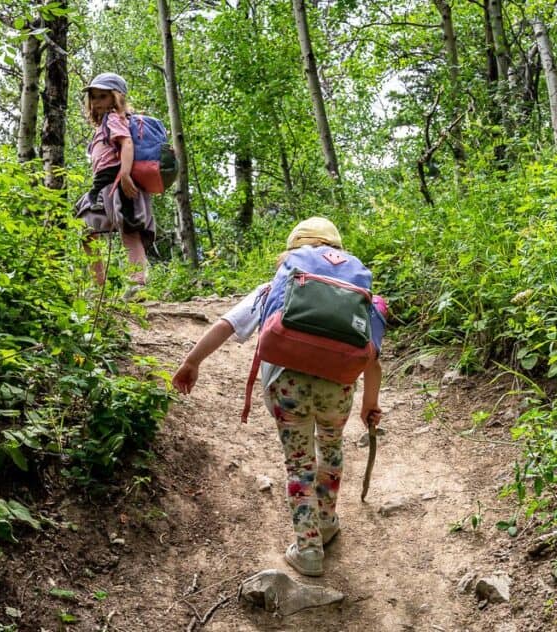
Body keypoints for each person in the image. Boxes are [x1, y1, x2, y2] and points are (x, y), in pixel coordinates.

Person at [171, 217, 386, 577]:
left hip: (287, 386)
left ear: (294, 251)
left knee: (299, 462)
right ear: (337, 250)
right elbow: (372, 356)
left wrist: (192, 362)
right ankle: (328, 522)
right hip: (338, 386)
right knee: (330, 448)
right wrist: (370, 403)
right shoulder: (355, 291)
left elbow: (226, 324)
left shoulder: (276, 286)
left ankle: (309, 550)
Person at [77, 72, 154, 291]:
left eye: (102, 96)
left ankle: (137, 283)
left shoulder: (114, 118)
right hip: (101, 186)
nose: (96, 102)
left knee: (129, 230)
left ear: (115, 98)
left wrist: (126, 174)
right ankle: (100, 287)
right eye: (93, 97)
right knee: (86, 230)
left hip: (117, 181)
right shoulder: (103, 124)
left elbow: (127, 143)